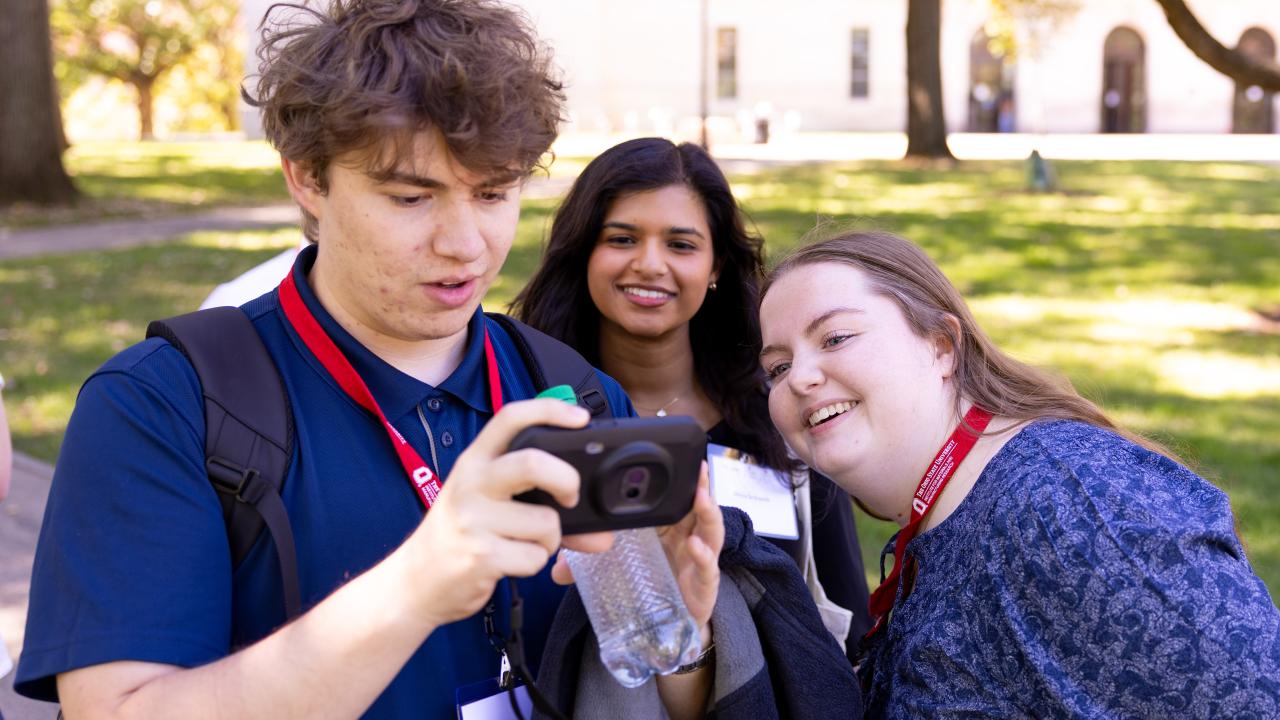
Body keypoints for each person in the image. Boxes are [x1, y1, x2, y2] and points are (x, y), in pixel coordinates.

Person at [16, 2, 719, 718]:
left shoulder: (574, 395)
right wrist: (414, 586)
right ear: (307, 180)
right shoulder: (162, 405)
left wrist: (682, 645)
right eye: (411, 196)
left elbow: (657, 698)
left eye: (494, 193)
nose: (465, 243)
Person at [758, 230, 1280, 717]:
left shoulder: (1066, 505)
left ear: (941, 346)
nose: (800, 378)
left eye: (835, 337)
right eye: (777, 367)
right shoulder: (948, 518)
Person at [512, 137, 871, 657]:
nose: (650, 265)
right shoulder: (532, 408)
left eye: (681, 245)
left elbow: (848, 625)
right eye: (622, 239)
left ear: (717, 266)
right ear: (584, 251)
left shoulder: (785, 413)